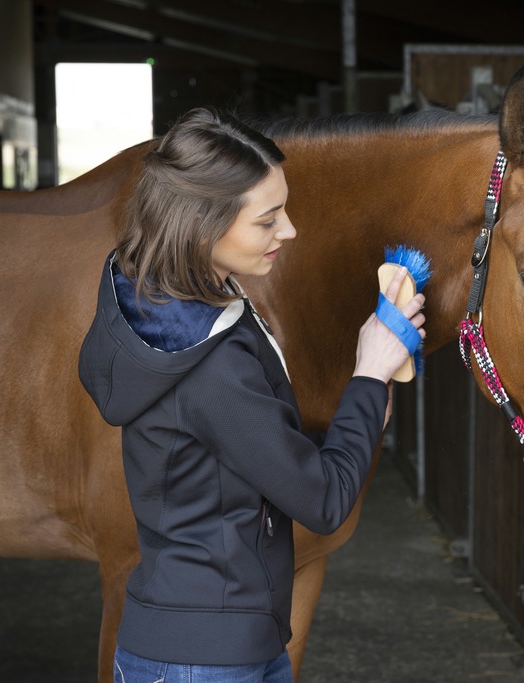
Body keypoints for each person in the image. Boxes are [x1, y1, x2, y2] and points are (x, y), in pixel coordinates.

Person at [78, 106, 426, 683]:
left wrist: (364, 405)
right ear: (203, 226)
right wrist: (367, 376)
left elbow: (264, 453)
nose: (289, 231)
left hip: (219, 644)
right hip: (202, 662)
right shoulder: (207, 362)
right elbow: (322, 500)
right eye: (267, 220)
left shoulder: (173, 307)